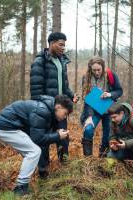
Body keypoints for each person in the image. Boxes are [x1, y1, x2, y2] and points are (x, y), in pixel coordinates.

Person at [0, 95, 73, 195]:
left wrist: (56, 132)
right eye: (65, 113)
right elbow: (37, 139)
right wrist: (57, 136)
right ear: (58, 107)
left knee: (32, 152)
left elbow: (40, 131)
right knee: (34, 151)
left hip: (9, 126)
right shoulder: (42, 110)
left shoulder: (48, 110)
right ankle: (20, 188)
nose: (65, 117)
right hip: (4, 127)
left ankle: (23, 185)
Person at [30, 32, 78, 177]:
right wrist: (50, 105)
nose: (63, 48)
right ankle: (43, 171)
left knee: (63, 137)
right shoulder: (40, 62)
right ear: (51, 43)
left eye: (65, 45)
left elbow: (64, 85)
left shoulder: (62, 62)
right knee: (44, 140)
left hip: (61, 109)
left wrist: (71, 95)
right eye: (60, 44)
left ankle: (64, 166)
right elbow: (36, 92)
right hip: (45, 109)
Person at [80, 56, 123, 157]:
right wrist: (89, 117)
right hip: (93, 110)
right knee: (88, 129)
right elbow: (87, 99)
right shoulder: (86, 78)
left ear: (103, 68)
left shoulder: (111, 75)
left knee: (107, 136)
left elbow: (119, 91)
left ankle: (103, 158)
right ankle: (88, 160)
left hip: (109, 110)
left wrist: (109, 94)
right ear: (90, 69)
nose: (96, 72)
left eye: (99, 70)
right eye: (94, 70)